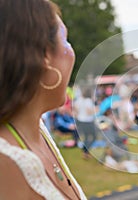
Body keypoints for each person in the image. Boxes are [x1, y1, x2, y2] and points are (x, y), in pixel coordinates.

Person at [0, 0, 86, 199]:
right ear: (45, 56)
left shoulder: (38, 131)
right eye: (65, 40)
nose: (71, 52)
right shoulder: (6, 165)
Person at [74, 88, 97, 159]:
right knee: (94, 137)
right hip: (88, 121)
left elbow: (75, 109)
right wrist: (95, 110)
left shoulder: (79, 100)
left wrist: (79, 115)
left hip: (81, 120)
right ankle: (85, 151)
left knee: (86, 137)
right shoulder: (88, 101)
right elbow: (88, 112)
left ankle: (85, 152)